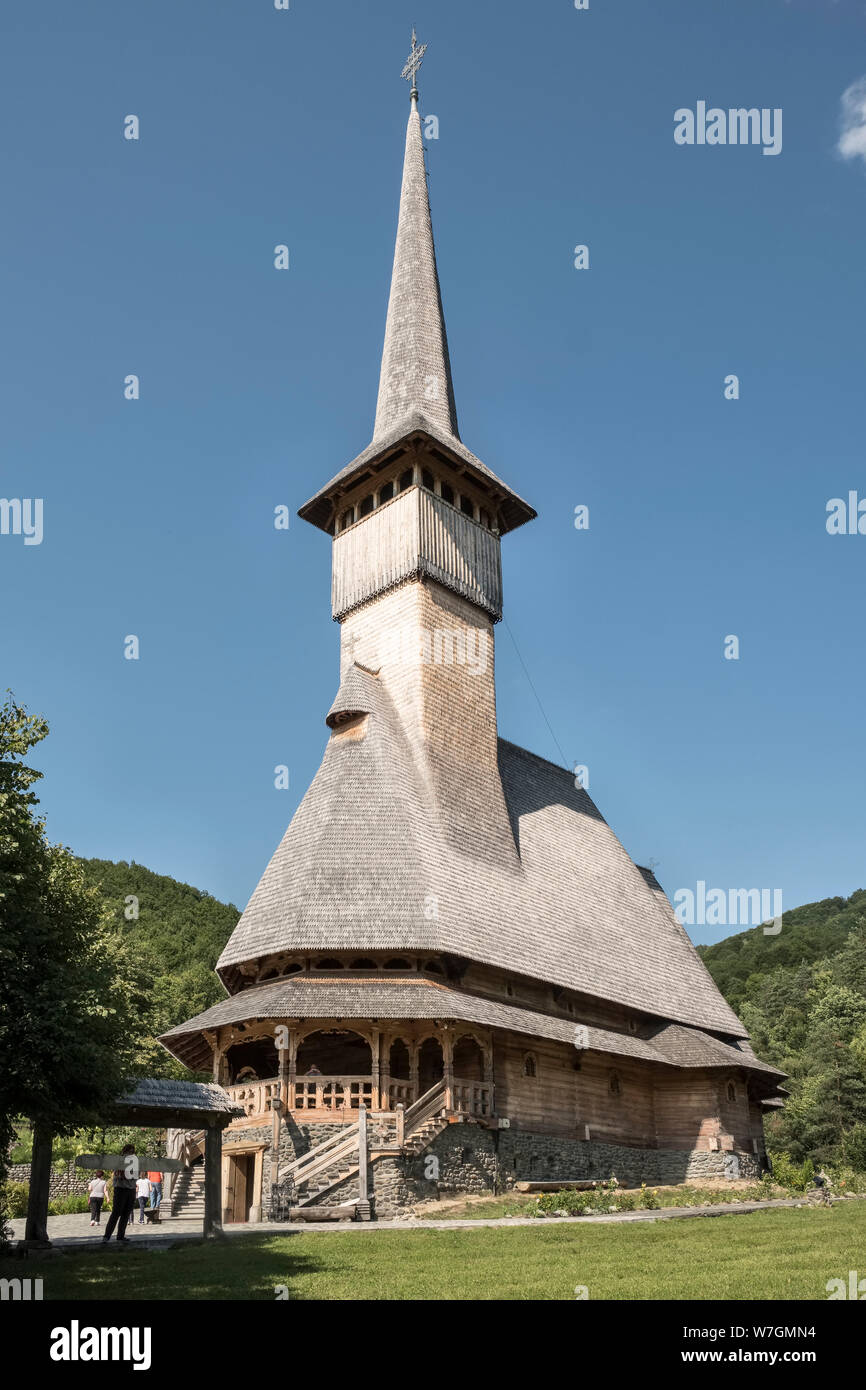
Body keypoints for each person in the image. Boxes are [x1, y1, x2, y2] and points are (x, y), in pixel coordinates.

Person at [103, 1144, 137, 1243]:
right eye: (129, 1151)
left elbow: (135, 1175)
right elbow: (119, 1174)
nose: (131, 1153)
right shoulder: (119, 1161)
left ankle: (120, 1236)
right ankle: (106, 1236)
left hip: (131, 1189)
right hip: (121, 1189)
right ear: (124, 1151)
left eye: (132, 1152)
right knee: (116, 1212)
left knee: (126, 1213)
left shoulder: (134, 1162)